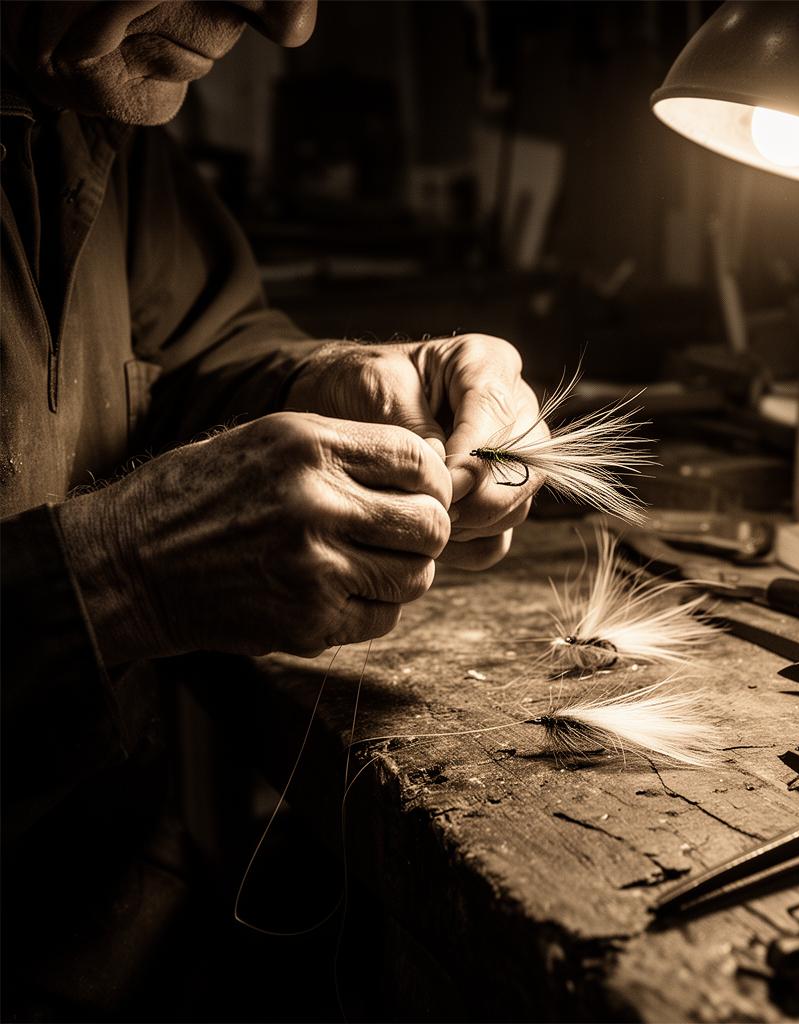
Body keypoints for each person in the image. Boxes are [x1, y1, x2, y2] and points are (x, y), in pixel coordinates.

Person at [1, 1, 542, 1016]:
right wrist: (111, 576)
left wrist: (360, 382)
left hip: (118, 946)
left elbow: (194, 358)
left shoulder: (88, 105)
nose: (287, 21)